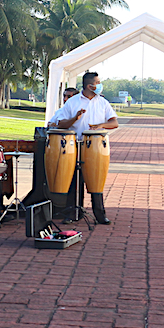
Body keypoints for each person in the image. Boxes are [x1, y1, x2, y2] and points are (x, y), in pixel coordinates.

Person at [49, 71, 119, 225]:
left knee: (96, 179)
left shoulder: (103, 102)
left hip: (95, 146)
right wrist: (75, 118)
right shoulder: (73, 102)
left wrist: (101, 125)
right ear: (89, 86)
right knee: (74, 180)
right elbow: (61, 124)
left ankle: (100, 214)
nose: (100, 85)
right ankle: (72, 213)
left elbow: (114, 122)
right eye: (97, 83)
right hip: (74, 145)